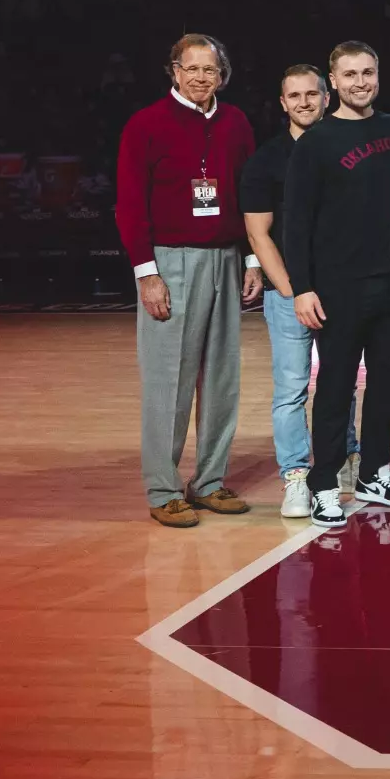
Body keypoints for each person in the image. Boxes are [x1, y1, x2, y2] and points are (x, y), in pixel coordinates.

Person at [116, 34, 263, 527]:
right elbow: (131, 204)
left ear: (223, 74)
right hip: (170, 262)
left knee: (222, 380)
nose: (202, 78)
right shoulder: (146, 124)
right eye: (192, 68)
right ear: (173, 71)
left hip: (224, 257)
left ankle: (210, 481)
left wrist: (251, 260)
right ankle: (162, 489)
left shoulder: (236, 122)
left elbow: (247, 194)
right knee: (168, 383)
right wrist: (147, 274)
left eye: (211, 70)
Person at [282, 42, 390, 527]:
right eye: (350, 74)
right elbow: (295, 224)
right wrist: (303, 288)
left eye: (368, 72)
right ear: (333, 81)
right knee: (337, 390)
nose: (360, 82)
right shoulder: (316, 141)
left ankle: (375, 472)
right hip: (338, 288)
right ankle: (324, 484)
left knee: (387, 385)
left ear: (378, 75)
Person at [241, 64, 335, 518]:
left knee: (339, 385)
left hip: (339, 290)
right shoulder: (265, 160)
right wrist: (293, 291)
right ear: (282, 103)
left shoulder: (342, 147)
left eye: (312, 95)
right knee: (292, 389)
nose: (304, 102)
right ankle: (295, 476)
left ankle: (345, 460)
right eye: (294, 96)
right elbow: (259, 235)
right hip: (288, 294)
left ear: (326, 97)